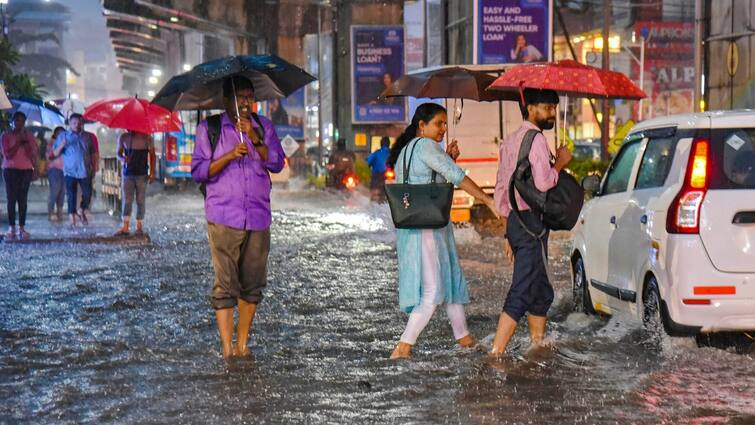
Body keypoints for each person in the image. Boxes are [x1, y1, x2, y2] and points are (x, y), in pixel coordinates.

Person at [388, 103, 499, 360]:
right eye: (438, 123)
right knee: (432, 292)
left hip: (423, 226)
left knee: (451, 283)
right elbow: (456, 176)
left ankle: (465, 339)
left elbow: (430, 181)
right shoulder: (426, 146)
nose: (443, 129)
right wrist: (487, 200)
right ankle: (403, 348)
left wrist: (447, 158)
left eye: (445, 124)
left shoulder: (407, 149)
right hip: (426, 228)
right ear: (422, 126)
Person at [191, 76, 285, 359]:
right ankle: (227, 348)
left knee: (252, 283)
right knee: (225, 283)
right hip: (223, 215)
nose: (245, 103)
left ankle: (243, 344)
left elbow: (277, 163)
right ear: (226, 100)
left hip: (258, 215)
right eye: (240, 97)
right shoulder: (210, 128)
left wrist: (256, 139)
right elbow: (198, 171)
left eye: (249, 97)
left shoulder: (263, 127)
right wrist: (231, 155)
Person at [490, 88, 572, 356]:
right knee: (524, 287)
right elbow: (544, 182)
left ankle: (537, 345)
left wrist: (507, 232)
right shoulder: (536, 140)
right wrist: (559, 163)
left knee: (541, 289)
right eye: (547, 108)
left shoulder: (511, 139)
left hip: (516, 221)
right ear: (531, 108)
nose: (551, 114)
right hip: (532, 225)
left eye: (553, 109)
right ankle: (496, 352)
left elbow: (502, 188)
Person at [1, 111, 38, 239]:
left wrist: (26, 142)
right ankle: (12, 228)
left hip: (26, 170)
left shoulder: (29, 136)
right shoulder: (6, 136)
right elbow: (7, 154)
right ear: (12, 121)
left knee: (23, 199)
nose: (19, 123)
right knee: (11, 198)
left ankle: (22, 228)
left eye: (22, 121)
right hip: (10, 170)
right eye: (17, 120)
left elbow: (32, 154)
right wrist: (18, 143)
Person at [53, 113, 96, 226]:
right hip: (70, 171)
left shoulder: (87, 136)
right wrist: (62, 145)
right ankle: (72, 217)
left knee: (88, 194)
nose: (77, 125)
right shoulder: (63, 136)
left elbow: (93, 153)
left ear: (82, 123)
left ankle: (81, 209)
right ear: (70, 124)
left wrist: (94, 166)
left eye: (79, 123)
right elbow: (55, 153)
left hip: (85, 170)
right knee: (71, 194)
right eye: (74, 123)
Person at [114, 130, 156, 236]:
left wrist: (152, 172)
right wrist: (123, 158)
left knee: (140, 200)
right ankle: (125, 226)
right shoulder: (123, 137)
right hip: (128, 173)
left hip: (142, 173)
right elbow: (118, 154)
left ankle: (139, 226)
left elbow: (152, 155)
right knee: (127, 199)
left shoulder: (147, 138)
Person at [46, 126, 67, 221]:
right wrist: (60, 147)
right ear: (55, 134)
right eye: (59, 133)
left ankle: (60, 212)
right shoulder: (51, 143)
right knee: (54, 191)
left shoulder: (66, 143)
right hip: (54, 169)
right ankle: (51, 212)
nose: (61, 135)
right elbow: (50, 156)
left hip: (65, 170)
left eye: (63, 133)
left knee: (62, 192)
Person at [367, 136, 391, 201]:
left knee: (374, 194)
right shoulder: (393, 153)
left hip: (377, 176)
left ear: (381, 144)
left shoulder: (376, 153)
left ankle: (374, 196)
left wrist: (369, 165)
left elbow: (369, 161)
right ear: (389, 144)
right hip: (390, 178)